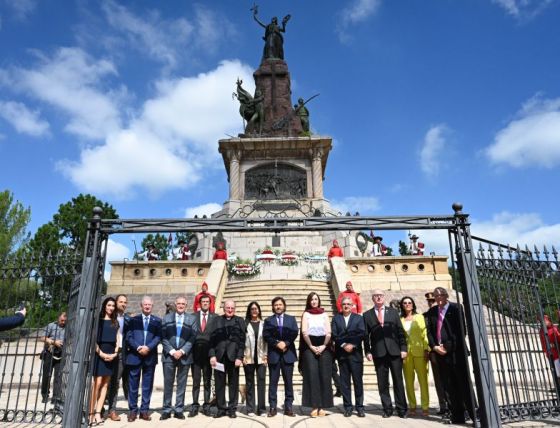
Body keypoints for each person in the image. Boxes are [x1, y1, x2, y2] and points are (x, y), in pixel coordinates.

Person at [426, 287, 475, 425]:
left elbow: (461, 330)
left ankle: (473, 414)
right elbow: (429, 331)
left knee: (463, 384)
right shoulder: (432, 311)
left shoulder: (456, 308)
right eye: (436, 296)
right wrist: (434, 346)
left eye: (440, 295)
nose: (438, 297)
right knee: (448, 385)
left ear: (446, 295)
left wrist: (446, 347)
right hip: (440, 353)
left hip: (456, 352)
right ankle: (457, 415)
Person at [364, 290, 408, 418]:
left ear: (384, 297)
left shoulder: (394, 312)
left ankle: (401, 409)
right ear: (373, 298)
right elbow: (366, 336)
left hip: (394, 352)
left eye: (381, 295)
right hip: (378, 353)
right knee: (382, 383)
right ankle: (387, 409)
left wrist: (403, 348)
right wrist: (367, 351)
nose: (378, 297)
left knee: (398, 382)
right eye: (376, 296)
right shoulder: (367, 315)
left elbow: (400, 332)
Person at [125, 296, 161, 422]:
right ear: (141, 306)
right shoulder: (133, 320)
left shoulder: (157, 321)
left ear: (152, 306)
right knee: (133, 385)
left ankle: (144, 411)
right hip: (135, 356)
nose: (147, 306)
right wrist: (139, 347)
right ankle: (133, 411)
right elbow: (128, 337)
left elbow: (158, 337)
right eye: (145, 305)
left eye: (149, 305)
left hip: (149, 357)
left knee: (147, 385)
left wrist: (148, 347)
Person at [161, 296, 197, 420]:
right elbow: (163, 337)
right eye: (179, 303)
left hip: (184, 356)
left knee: (182, 384)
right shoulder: (166, 318)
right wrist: (172, 351)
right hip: (169, 357)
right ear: (175, 305)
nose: (181, 306)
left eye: (183, 304)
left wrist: (181, 351)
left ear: (186, 306)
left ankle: (179, 409)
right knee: (168, 383)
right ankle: (166, 409)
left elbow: (193, 337)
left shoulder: (191, 319)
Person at [209, 300, 246, 418]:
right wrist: (212, 355)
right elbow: (211, 340)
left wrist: (240, 357)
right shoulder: (216, 320)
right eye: (227, 308)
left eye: (232, 308)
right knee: (219, 383)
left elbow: (242, 341)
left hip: (233, 357)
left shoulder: (240, 321)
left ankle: (232, 408)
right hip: (219, 358)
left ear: (235, 309)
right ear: (223, 308)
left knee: (233, 384)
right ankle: (221, 408)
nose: (230, 310)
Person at [263, 296, 298, 417]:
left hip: (288, 354)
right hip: (274, 355)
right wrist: (277, 343)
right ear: (273, 307)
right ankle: (272, 406)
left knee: (288, 382)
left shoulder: (291, 319)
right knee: (273, 382)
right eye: (276, 305)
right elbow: (266, 335)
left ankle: (288, 406)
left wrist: (286, 343)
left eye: (280, 304)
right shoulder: (268, 320)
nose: (278, 306)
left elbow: (294, 332)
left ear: (284, 306)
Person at [332, 296, 366, 417]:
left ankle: (360, 407)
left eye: (348, 304)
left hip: (355, 355)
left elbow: (361, 333)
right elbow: (335, 334)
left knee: (358, 382)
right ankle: (348, 407)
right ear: (341, 306)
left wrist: (352, 344)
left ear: (352, 306)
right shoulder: (336, 318)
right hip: (342, 355)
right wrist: (343, 344)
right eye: (344, 304)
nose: (346, 306)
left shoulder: (358, 318)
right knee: (345, 383)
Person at [300, 292, 333, 417]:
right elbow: (304, 331)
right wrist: (312, 347)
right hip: (310, 345)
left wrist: (324, 346)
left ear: (319, 301)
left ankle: (322, 406)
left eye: (316, 299)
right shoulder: (306, 314)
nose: (314, 301)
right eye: (312, 299)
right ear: (309, 301)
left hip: (324, 345)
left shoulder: (324, 314)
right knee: (312, 375)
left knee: (324, 376)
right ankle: (314, 406)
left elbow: (328, 332)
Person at [90, 297, 120, 425]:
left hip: (111, 355)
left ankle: (98, 413)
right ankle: (91, 413)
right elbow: (93, 340)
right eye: (109, 305)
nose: (111, 308)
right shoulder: (98, 321)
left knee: (106, 384)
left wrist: (114, 353)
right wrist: (101, 354)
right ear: (104, 306)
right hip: (99, 353)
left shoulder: (115, 322)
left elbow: (118, 339)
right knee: (97, 383)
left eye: (113, 306)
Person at [400, 296, 429, 417]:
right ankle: (412, 405)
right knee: (408, 381)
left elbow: (424, 333)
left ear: (413, 304)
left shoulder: (419, 317)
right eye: (405, 303)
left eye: (409, 302)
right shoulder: (400, 319)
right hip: (406, 354)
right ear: (402, 305)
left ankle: (425, 406)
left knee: (423, 381)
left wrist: (427, 349)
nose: (407, 304)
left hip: (420, 352)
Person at [189, 294, 218, 418]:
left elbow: (216, 336)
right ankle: (195, 405)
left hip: (208, 355)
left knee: (207, 381)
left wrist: (214, 354)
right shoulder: (192, 317)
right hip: (195, 355)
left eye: (207, 301)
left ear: (210, 303)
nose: (205, 303)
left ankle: (206, 405)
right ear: (200, 303)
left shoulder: (215, 318)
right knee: (196, 382)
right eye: (203, 301)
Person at [423, 292, 448, 415]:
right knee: (439, 380)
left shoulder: (448, 311)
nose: (432, 303)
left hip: (449, 349)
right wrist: (432, 347)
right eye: (430, 301)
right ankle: (443, 405)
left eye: (433, 300)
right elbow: (425, 334)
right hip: (433, 351)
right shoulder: (426, 316)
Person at [107, 294, 130, 421]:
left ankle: (112, 410)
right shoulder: (110, 316)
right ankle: (97, 408)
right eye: (121, 302)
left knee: (115, 381)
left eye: (125, 302)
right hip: (108, 351)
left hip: (121, 353)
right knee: (103, 381)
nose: (123, 304)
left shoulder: (127, 319)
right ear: (116, 303)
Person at [243, 301, 267, 416]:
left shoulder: (264, 324)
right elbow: (241, 341)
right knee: (249, 383)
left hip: (262, 357)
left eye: (256, 309)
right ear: (249, 311)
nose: (254, 311)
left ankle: (261, 409)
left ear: (259, 310)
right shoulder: (245, 324)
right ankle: (250, 409)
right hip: (248, 358)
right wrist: (243, 356)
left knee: (261, 382)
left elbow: (266, 341)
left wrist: (266, 356)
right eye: (252, 309)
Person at [40, 312, 66, 406]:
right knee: (47, 375)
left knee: (58, 377)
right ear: (58, 318)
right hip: (49, 353)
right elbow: (42, 337)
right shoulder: (51, 325)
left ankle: (56, 397)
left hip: (61, 354)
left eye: (65, 321)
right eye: (62, 320)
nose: (63, 322)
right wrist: (54, 342)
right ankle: (45, 395)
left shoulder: (68, 327)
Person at [540, 314, 560, 383]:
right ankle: (557, 387)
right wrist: (545, 350)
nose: (545, 322)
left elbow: (558, 338)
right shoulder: (541, 331)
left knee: (558, 370)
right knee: (554, 370)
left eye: (545, 320)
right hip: (549, 353)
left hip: (556, 353)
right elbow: (543, 342)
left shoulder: (554, 328)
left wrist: (554, 344)